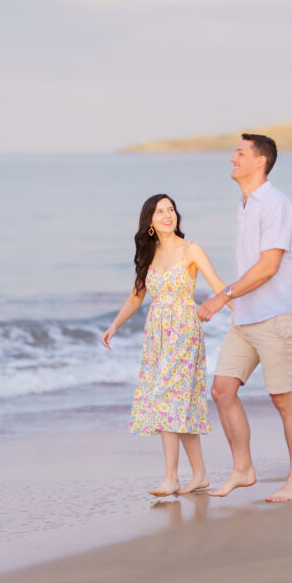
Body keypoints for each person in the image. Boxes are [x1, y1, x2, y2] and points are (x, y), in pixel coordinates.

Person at [196, 134, 292, 503]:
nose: (232, 158)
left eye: (240, 153)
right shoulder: (245, 205)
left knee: (283, 399)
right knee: (222, 391)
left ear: (260, 161)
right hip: (246, 318)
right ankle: (243, 470)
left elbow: (268, 267)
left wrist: (220, 297)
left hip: (276, 316)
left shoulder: (275, 203)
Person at [102, 194, 231, 497]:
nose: (167, 215)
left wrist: (245, 316)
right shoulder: (150, 255)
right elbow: (137, 296)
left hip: (184, 330)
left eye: (170, 210)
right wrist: (115, 325)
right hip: (157, 335)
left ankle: (171, 477)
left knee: (166, 399)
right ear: (150, 221)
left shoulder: (191, 249)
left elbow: (218, 287)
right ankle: (199, 475)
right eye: (160, 212)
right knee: (178, 405)